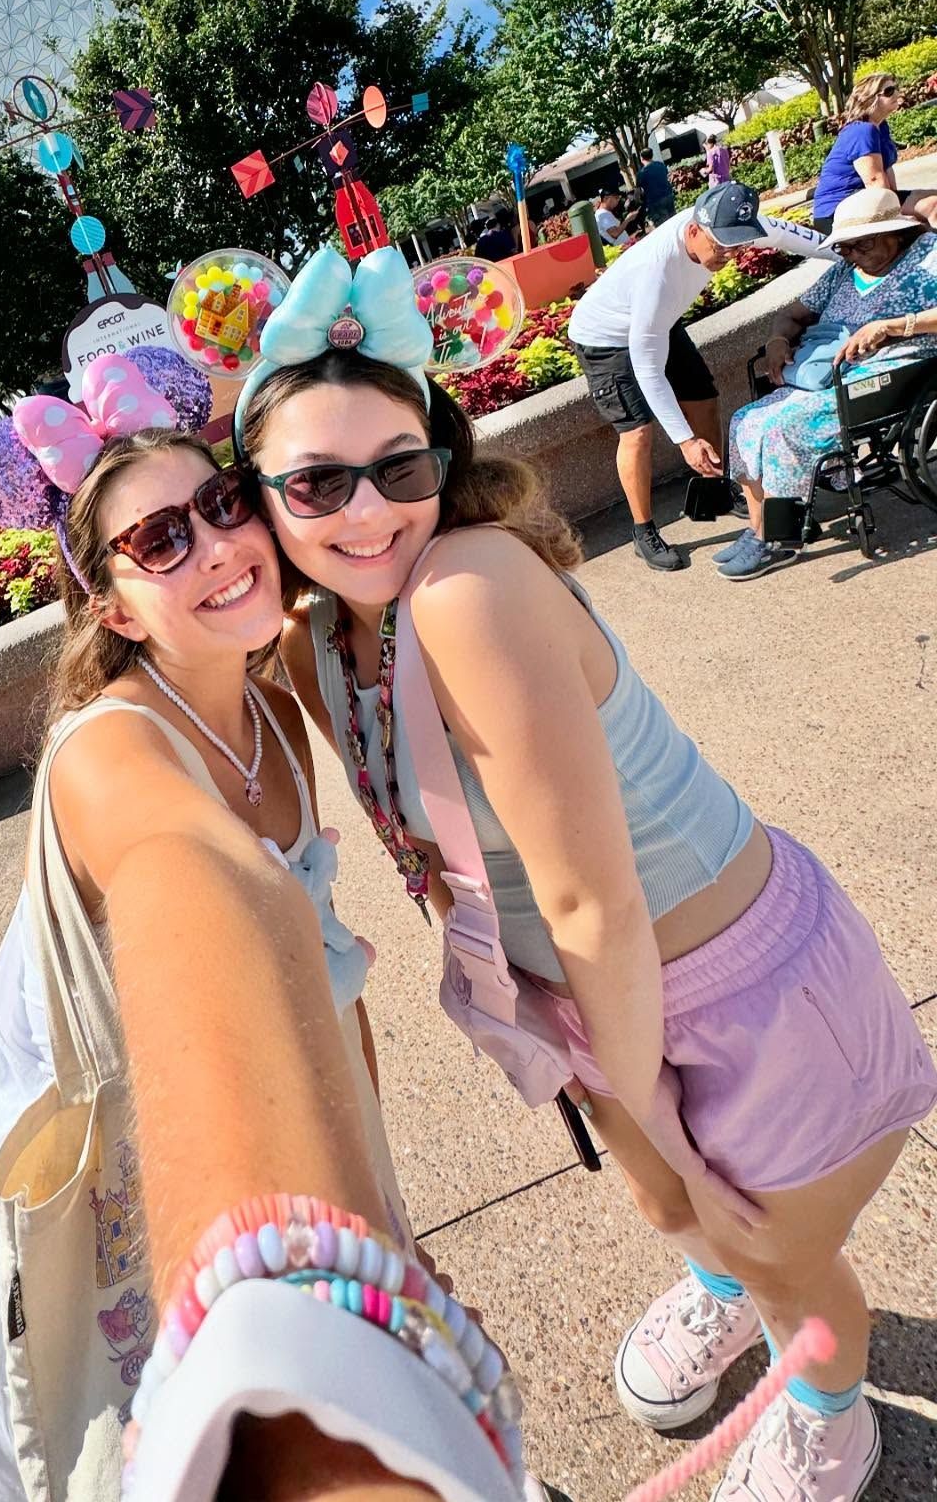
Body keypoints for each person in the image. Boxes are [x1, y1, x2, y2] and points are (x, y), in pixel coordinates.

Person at [234, 243, 935, 1502]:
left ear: (442, 459)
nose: (363, 512)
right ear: (261, 499)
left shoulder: (463, 586)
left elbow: (590, 900)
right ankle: (725, 1291)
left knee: (777, 1245)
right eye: (314, 483)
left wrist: (660, 1135)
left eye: (397, 468)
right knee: (689, 1218)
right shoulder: (317, 639)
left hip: (732, 986)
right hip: (590, 995)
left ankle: (832, 1408)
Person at [0, 349, 525, 1502]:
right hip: (100, 1215)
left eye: (223, 503)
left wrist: (383, 1232)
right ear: (106, 599)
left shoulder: (271, 706)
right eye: (159, 543)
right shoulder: (108, 754)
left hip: (228, 1171)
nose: (214, 546)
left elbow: (324, 985)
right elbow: (198, 892)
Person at [567, 181, 832, 571]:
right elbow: (648, 368)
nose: (728, 254)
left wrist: (855, 248)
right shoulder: (654, 273)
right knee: (637, 431)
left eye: (736, 246)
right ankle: (643, 531)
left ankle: (717, 491)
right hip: (606, 338)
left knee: (705, 400)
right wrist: (686, 442)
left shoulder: (734, 222)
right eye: (720, 246)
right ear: (693, 231)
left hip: (661, 321)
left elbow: (806, 241)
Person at [722, 188, 937, 579]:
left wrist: (892, 326)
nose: (853, 254)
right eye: (845, 248)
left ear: (896, 233)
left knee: (782, 428)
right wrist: (778, 340)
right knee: (745, 420)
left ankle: (780, 538)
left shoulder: (928, 255)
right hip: (824, 374)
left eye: (862, 245)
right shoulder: (844, 270)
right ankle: (761, 528)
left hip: (885, 375)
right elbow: (792, 313)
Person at [810, 70, 937, 237]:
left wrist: (898, 203)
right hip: (836, 213)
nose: (896, 94)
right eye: (889, 91)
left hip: (867, 199)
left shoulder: (880, 126)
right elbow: (874, 180)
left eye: (895, 88)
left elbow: (886, 170)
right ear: (870, 99)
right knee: (932, 206)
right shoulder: (862, 131)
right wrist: (896, 218)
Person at [636, 149, 676, 227]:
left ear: (641, 158)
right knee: (674, 220)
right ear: (652, 155)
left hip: (655, 202)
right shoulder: (661, 165)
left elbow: (637, 194)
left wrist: (639, 201)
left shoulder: (641, 173)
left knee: (664, 226)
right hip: (668, 196)